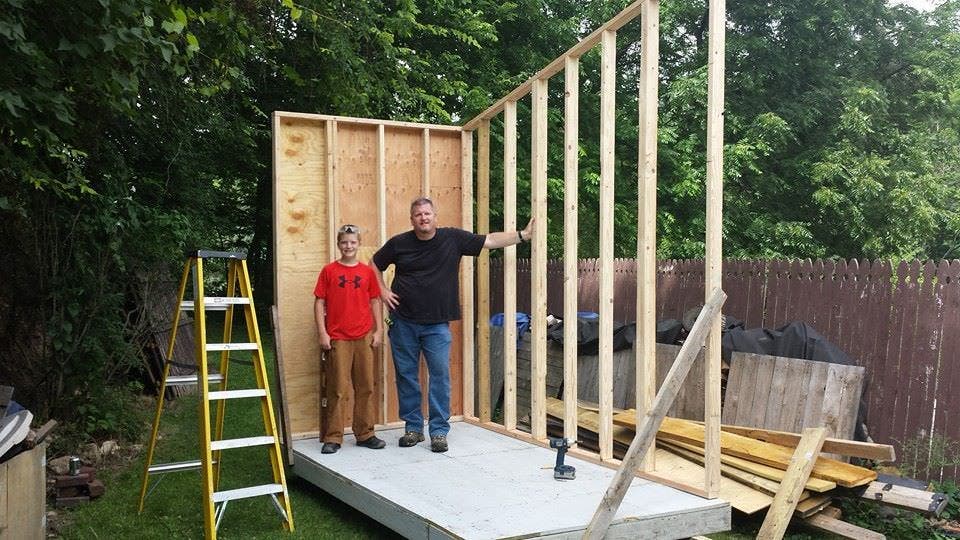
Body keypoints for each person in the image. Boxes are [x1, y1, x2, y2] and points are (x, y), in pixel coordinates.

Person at [372, 197, 534, 452]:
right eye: (418, 214)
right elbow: (374, 264)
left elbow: (489, 240)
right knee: (406, 376)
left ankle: (438, 431)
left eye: (427, 213)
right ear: (412, 219)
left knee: (439, 376)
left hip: (437, 325)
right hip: (403, 322)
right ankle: (413, 428)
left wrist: (522, 236)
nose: (423, 218)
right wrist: (381, 290)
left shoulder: (452, 239)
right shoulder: (399, 243)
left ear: (435, 216)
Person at [314, 224, 384, 454]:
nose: (348, 246)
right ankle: (333, 436)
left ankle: (365, 433)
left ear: (359, 244)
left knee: (366, 387)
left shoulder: (366, 272)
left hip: (363, 336)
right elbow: (319, 302)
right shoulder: (329, 271)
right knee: (338, 389)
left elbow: (375, 300)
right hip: (338, 337)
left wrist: (379, 330)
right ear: (338, 244)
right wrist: (323, 332)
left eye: (353, 242)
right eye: (344, 242)